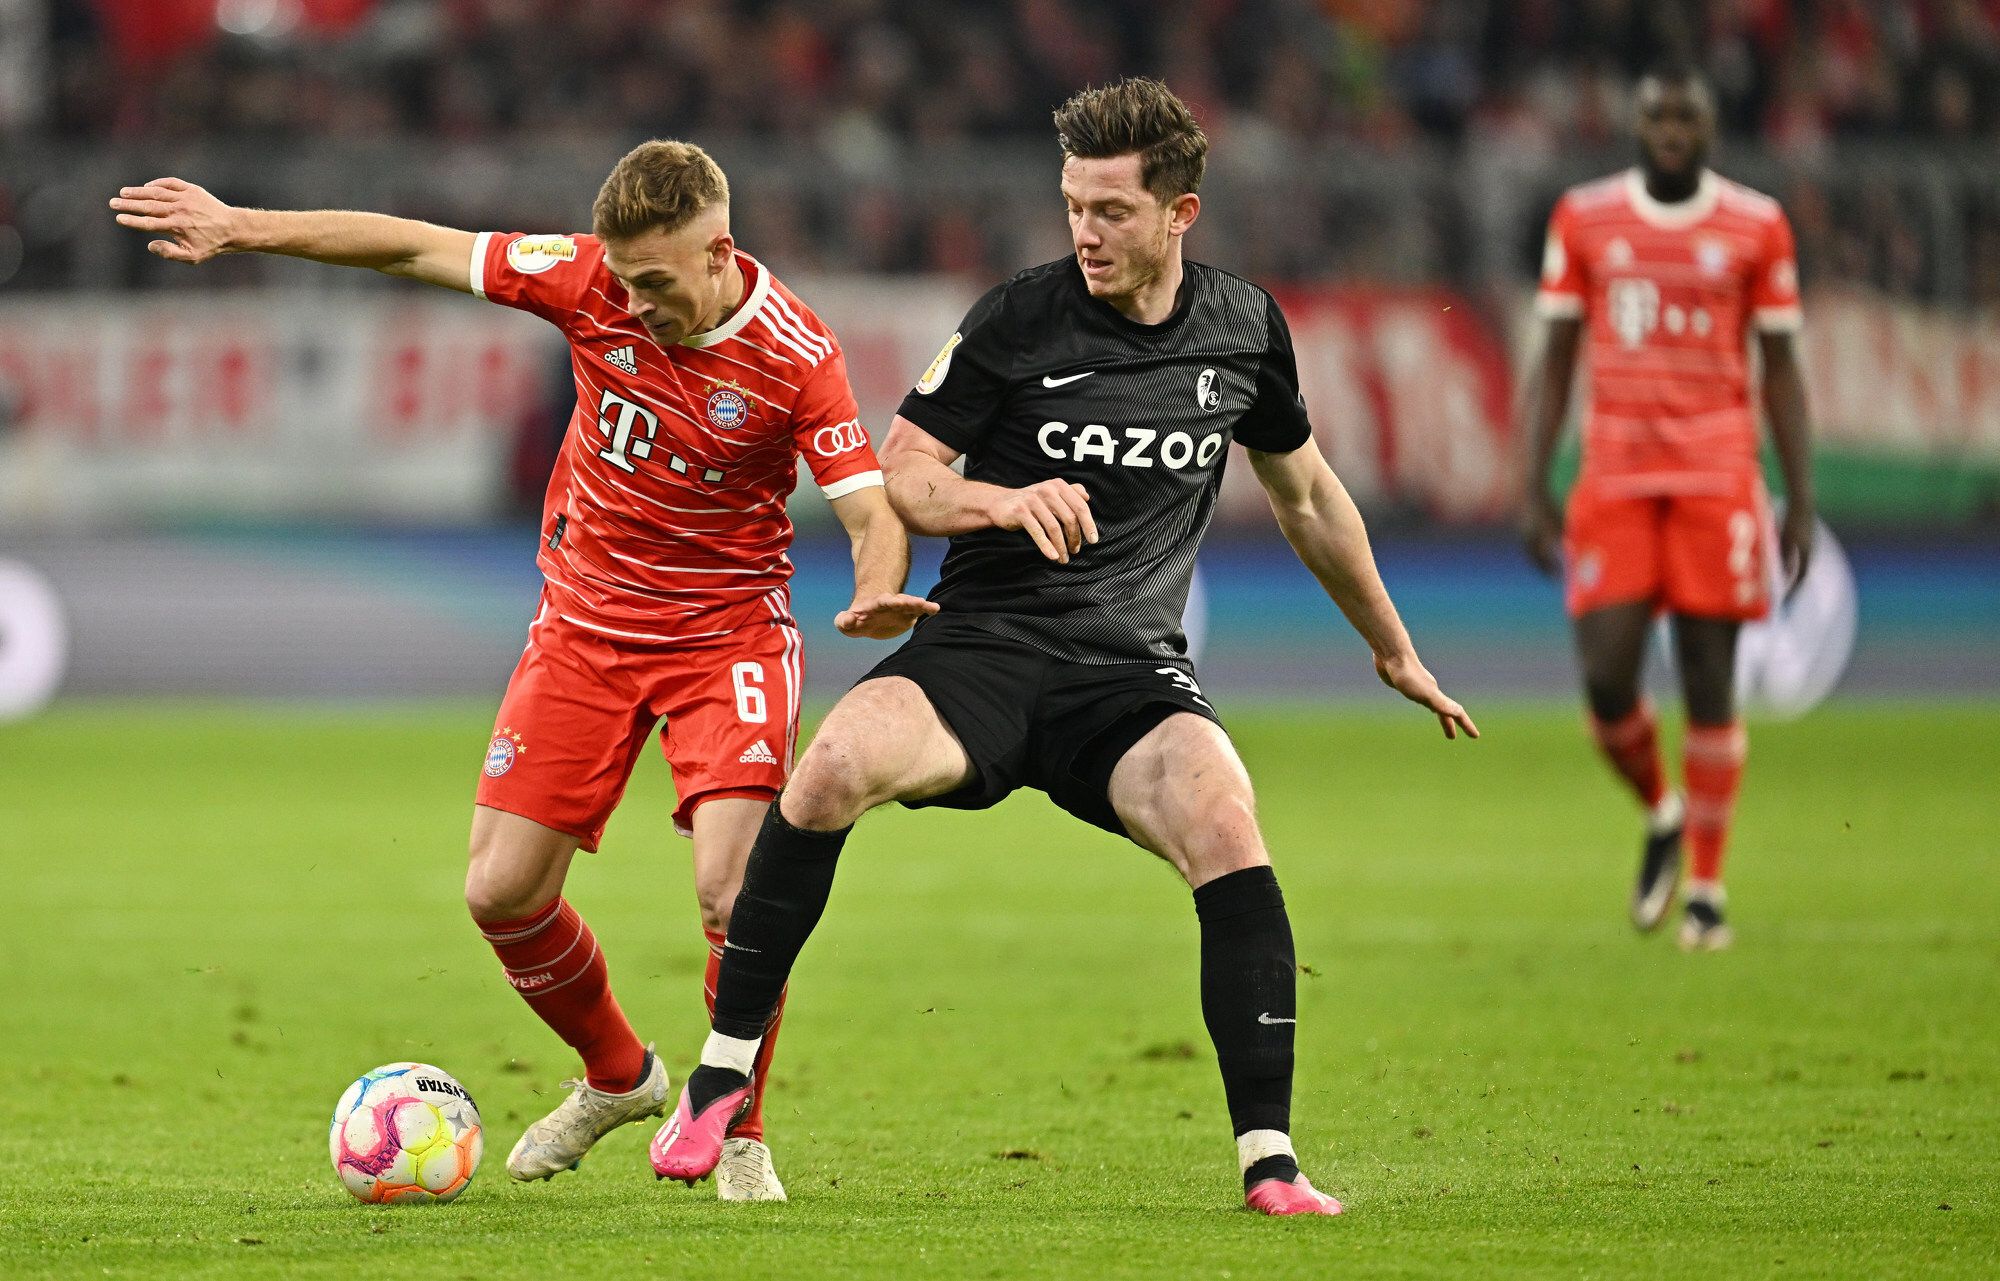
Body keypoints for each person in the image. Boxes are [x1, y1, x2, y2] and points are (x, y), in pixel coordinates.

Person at [647, 78, 1476, 1217]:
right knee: (830, 764)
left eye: (1112, 211)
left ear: (1179, 215)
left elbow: (1309, 498)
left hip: (1127, 672)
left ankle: (1270, 1161)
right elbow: (904, 472)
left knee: (1226, 823)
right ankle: (721, 1075)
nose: (1085, 232)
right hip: (981, 650)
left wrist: (1392, 647)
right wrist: (999, 500)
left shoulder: (1243, 329)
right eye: (1074, 206)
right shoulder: (1017, 318)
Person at [109, 142, 936, 1200]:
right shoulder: (585, 277)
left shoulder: (795, 353)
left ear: (718, 251)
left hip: (723, 637)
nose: (633, 303)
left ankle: (738, 1131)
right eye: (623, 279)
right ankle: (618, 1075)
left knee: (735, 893)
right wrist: (241, 227)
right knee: (500, 893)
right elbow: (412, 248)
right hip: (583, 627)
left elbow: (867, 508)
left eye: (655, 282)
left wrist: (876, 588)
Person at [1518, 68, 1816, 952]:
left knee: (1708, 678)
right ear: (1638, 124)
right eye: (1659, 116)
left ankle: (1708, 893)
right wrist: (1530, 483)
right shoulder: (1585, 218)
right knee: (1607, 679)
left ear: (1711, 125)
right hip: (1614, 475)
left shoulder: (1757, 224)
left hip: (1717, 475)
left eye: (1688, 115)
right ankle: (1662, 809)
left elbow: (1782, 368)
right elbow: (1556, 357)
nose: (1673, 129)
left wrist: (1801, 497)